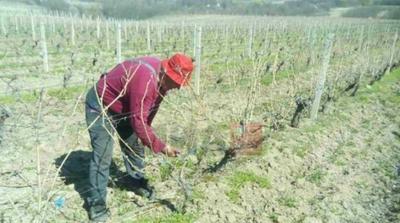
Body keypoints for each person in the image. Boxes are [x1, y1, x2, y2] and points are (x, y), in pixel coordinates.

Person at [84, 53, 194, 222]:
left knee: (134, 144)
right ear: (166, 72)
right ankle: (97, 206)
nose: (178, 87)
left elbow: (148, 113)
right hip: (102, 107)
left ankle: (136, 182)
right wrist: (161, 147)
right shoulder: (146, 80)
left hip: (125, 108)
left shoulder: (161, 83)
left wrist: (145, 135)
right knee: (103, 155)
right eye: (176, 82)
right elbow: (139, 121)